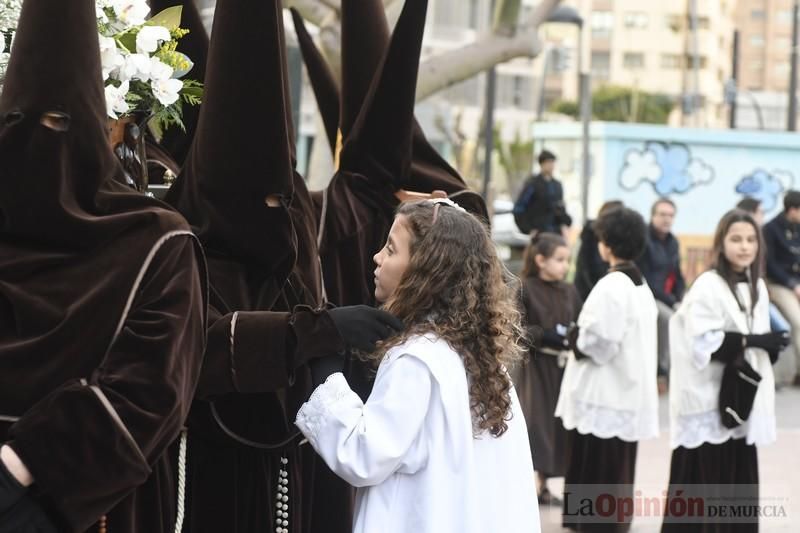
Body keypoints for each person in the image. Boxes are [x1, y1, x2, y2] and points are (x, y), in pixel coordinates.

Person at [164, 1, 401, 532]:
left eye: (280, 200)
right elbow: (185, 352)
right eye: (258, 199)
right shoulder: (177, 245)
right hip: (204, 477)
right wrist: (315, 330)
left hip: (290, 470)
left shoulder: (291, 238)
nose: (271, 212)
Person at [0, 1, 207, 532]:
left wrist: (19, 466)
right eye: (16, 123)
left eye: (59, 123)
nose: (37, 142)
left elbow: (151, 394)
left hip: (82, 508)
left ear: (95, 130)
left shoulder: (155, 243)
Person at [295, 199, 540, 533]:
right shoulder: (478, 357)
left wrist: (327, 373)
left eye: (391, 250)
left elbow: (365, 453)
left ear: (425, 272)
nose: (377, 257)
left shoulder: (417, 357)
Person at [663, 209, 787, 533]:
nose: (744, 247)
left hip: (739, 400)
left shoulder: (757, 285)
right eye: (736, 239)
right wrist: (755, 340)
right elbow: (705, 345)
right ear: (721, 243)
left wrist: (767, 346)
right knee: (704, 489)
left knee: (738, 485)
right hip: (707, 400)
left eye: (750, 240)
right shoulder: (708, 285)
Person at [556, 207, 659, 532]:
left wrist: (575, 336)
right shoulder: (641, 286)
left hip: (604, 395)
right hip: (625, 392)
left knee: (597, 472)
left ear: (606, 244)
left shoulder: (612, 285)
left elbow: (599, 344)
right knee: (616, 473)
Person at [513, 232, 581, 506]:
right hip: (537, 368)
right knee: (537, 425)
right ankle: (526, 482)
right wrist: (542, 334)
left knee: (558, 426)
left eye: (567, 260)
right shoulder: (525, 287)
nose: (565, 266)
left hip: (564, 367)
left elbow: (579, 320)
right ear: (541, 260)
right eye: (560, 259)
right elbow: (513, 327)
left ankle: (544, 484)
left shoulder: (569, 290)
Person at [637, 197, 685, 377]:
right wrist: (672, 302)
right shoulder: (644, 240)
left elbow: (678, 275)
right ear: (653, 216)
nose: (667, 219)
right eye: (662, 214)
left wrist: (681, 298)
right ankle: (662, 369)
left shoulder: (673, 242)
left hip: (667, 296)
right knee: (669, 318)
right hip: (647, 295)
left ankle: (681, 366)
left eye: (671, 215)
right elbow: (645, 279)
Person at [763, 190, 800, 386]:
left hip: (796, 284)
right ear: (792, 210)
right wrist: (793, 285)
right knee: (797, 320)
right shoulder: (770, 229)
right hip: (778, 284)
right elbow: (771, 265)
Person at [513, 150, 572, 238]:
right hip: (539, 234)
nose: (551, 166)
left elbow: (560, 208)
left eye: (552, 162)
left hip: (555, 233)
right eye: (548, 162)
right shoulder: (532, 184)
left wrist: (564, 221)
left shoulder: (557, 185)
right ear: (542, 164)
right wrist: (528, 229)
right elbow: (518, 209)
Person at [574, 200, 624, 301]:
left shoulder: (618, 238)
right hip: (588, 292)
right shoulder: (590, 235)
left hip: (608, 292)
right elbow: (583, 268)